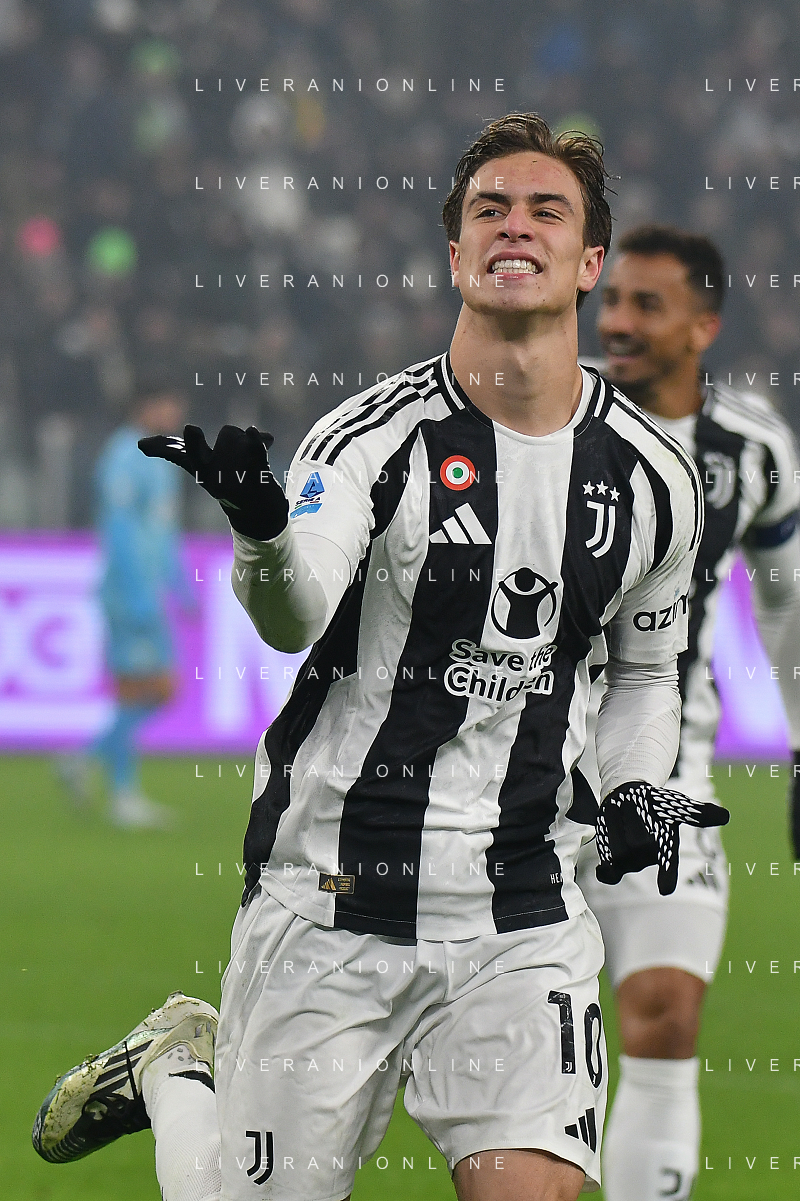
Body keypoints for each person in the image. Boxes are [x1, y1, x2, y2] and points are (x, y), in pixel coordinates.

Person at [33, 115, 726, 1201]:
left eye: (546, 210)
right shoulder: (367, 439)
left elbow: (642, 672)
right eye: (489, 209)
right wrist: (263, 533)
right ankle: (175, 1066)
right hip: (332, 894)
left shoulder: (651, 478)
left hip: (520, 909)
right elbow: (293, 613)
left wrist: (638, 782)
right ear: (455, 253)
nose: (514, 226)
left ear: (590, 260)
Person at [576, 224, 800, 1201]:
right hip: (516, 770)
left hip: (666, 769)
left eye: (646, 305)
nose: (616, 322)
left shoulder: (751, 449)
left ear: (702, 326)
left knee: (665, 1014)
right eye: (612, 301)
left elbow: (787, 609)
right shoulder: (552, 412)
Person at [77, 370, 192, 827]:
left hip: (151, 591)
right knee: (141, 689)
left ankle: (84, 761)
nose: (176, 412)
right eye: (169, 403)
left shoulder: (161, 457)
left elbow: (162, 530)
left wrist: (180, 584)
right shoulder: (124, 455)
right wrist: (138, 593)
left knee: (157, 690)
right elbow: (119, 529)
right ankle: (121, 794)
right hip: (128, 594)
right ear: (145, 406)